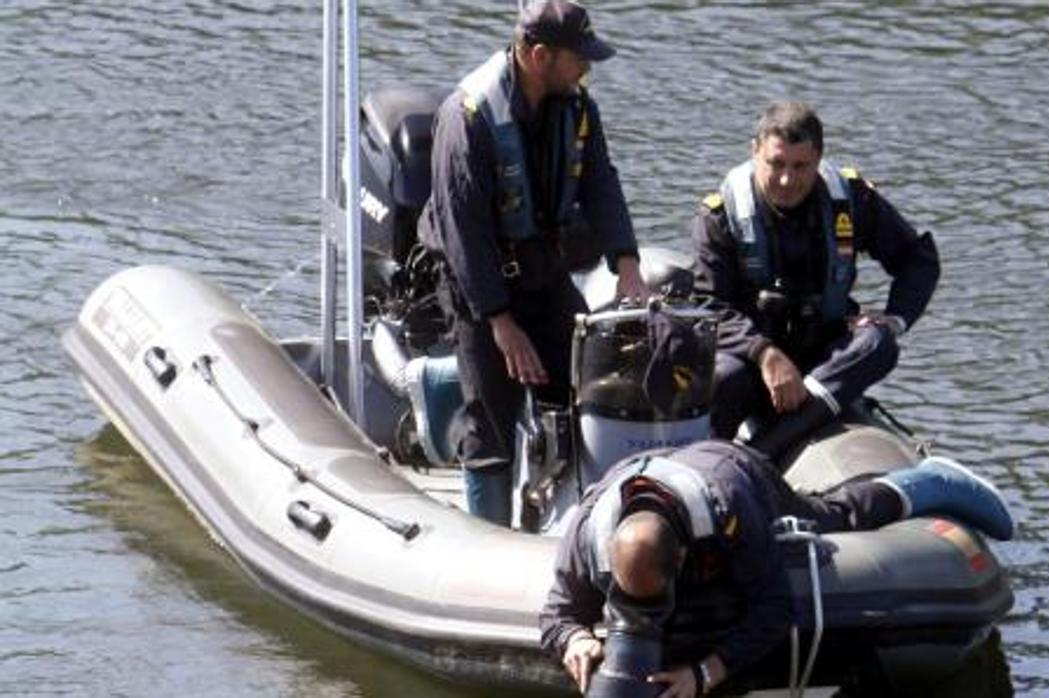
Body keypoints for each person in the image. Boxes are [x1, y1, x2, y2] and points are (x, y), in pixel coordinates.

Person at [539, 439, 1015, 696]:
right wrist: (574, 638)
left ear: (681, 560)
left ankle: (928, 482)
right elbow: (557, 613)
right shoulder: (589, 530)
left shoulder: (730, 509)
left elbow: (774, 608)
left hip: (730, 467)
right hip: (640, 472)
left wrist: (707, 673)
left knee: (835, 517)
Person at [417, 0, 648, 526]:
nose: (588, 66)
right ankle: (490, 540)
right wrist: (499, 322)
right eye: (579, 57)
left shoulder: (577, 106)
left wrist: (626, 262)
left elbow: (600, 182)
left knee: (579, 384)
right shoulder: (468, 118)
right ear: (540, 56)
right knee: (490, 422)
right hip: (475, 280)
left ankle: (571, 518)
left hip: (541, 267)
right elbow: (463, 230)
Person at [692, 102, 940, 444]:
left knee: (879, 343)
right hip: (754, 361)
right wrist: (764, 353)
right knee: (720, 378)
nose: (786, 179)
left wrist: (895, 318)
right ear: (755, 153)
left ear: (819, 160)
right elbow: (709, 308)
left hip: (825, 358)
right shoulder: (720, 217)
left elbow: (918, 259)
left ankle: (771, 446)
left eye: (800, 167)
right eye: (775, 164)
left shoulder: (851, 202)